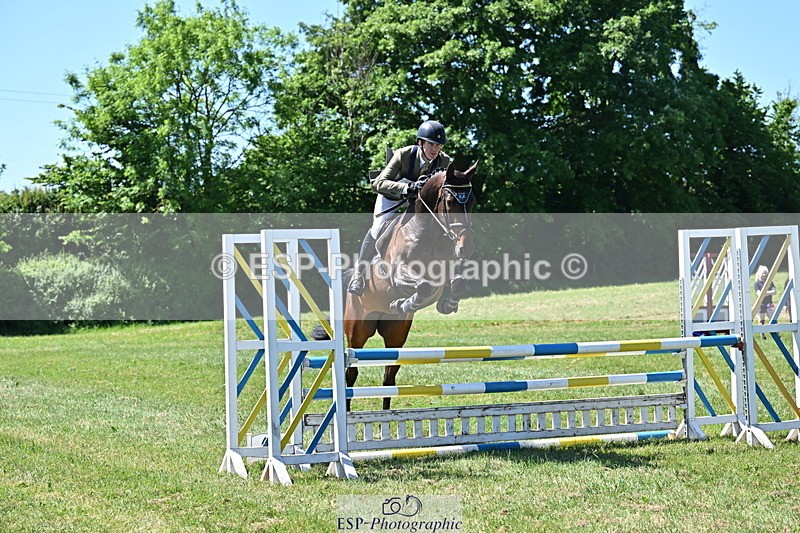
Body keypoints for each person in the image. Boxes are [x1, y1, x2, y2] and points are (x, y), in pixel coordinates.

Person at [347, 120, 452, 295]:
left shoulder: (444, 161)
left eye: (438, 145)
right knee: (378, 227)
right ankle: (358, 274)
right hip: (393, 195)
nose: (435, 149)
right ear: (420, 142)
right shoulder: (403, 155)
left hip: (417, 201)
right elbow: (379, 183)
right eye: (431, 144)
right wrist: (405, 188)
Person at [755, 265, 777, 335]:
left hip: (769, 303)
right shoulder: (757, 284)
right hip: (760, 304)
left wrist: (765, 293)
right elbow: (759, 294)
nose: (764, 275)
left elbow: (775, 291)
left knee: (773, 320)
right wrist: (768, 293)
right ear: (759, 274)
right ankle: (762, 335)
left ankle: (776, 333)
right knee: (761, 321)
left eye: (765, 273)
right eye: (762, 273)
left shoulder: (770, 282)